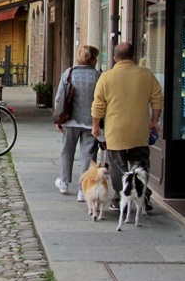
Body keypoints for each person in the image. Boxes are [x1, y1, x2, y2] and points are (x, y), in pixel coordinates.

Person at [91, 41, 163, 211]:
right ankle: (142, 196)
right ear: (133, 57)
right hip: (139, 132)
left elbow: (98, 105)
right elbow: (157, 98)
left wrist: (95, 126)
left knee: (118, 166)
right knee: (141, 165)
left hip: (116, 132)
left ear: (115, 58)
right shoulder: (146, 75)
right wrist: (154, 121)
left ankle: (119, 197)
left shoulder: (106, 77)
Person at [53, 45, 102, 201]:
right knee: (88, 154)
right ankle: (83, 188)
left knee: (67, 151)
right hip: (91, 121)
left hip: (70, 120)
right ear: (92, 59)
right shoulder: (98, 76)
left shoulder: (69, 73)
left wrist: (58, 119)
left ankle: (64, 182)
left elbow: (59, 98)